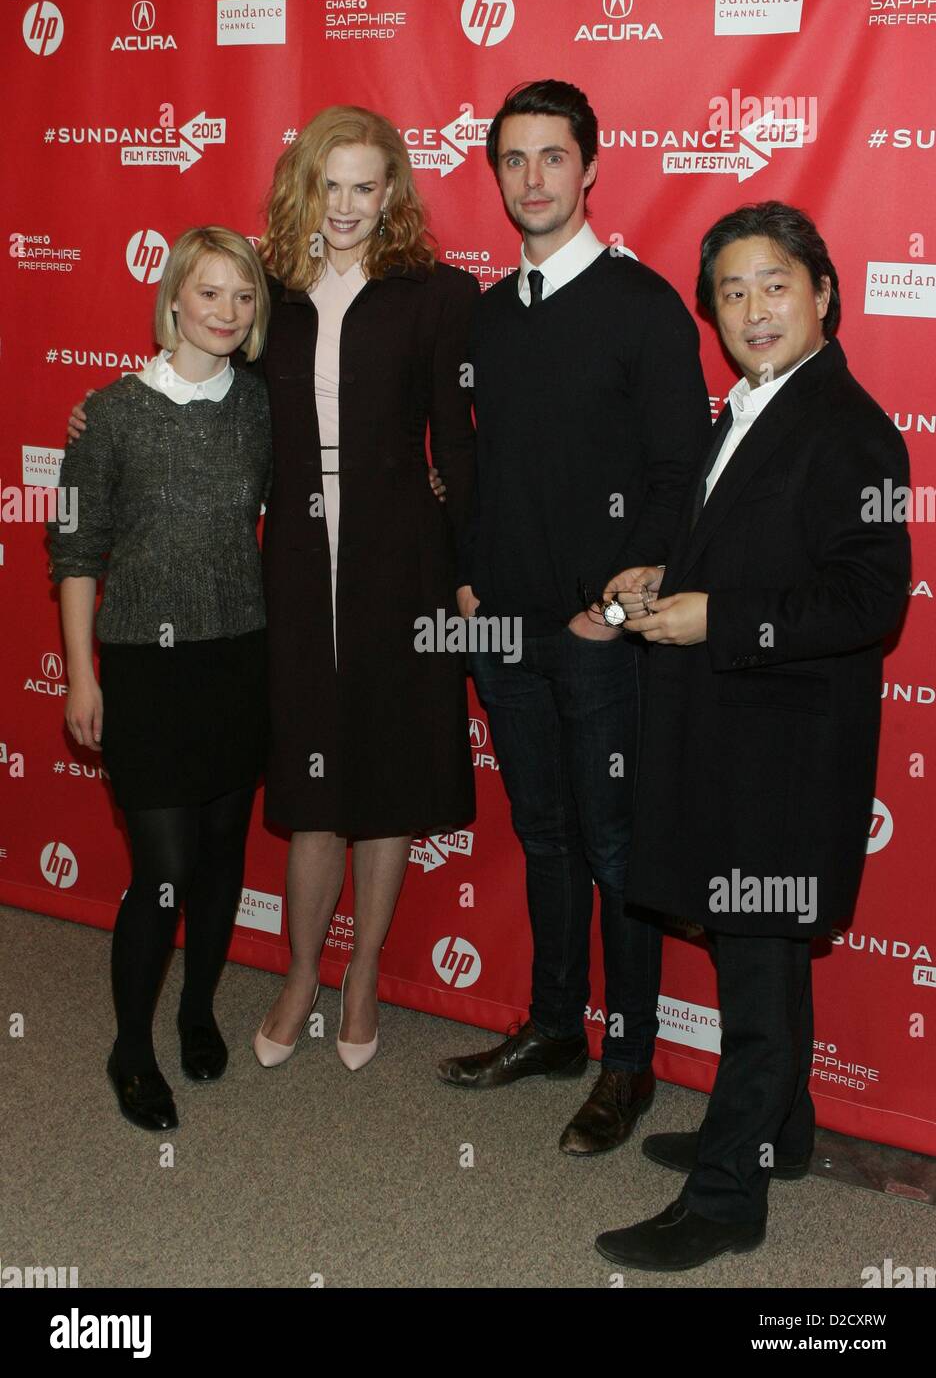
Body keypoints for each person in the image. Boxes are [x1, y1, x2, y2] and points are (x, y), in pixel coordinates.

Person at [595, 201, 911, 1270]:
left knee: (761, 985)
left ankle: (728, 1195)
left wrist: (717, 618)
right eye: (729, 291)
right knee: (758, 955)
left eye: (774, 283)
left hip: (787, 756)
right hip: (734, 739)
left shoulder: (852, 427)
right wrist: (666, 579)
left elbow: (870, 601)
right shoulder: (753, 407)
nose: (751, 308)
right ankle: (782, 1133)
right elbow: (747, 547)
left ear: (824, 292)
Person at [436, 81, 711, 1154]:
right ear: (496, 173)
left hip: (600, 640)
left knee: (614, 846)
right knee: (542, 836)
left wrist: (612, 602)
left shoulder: (643, 306)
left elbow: (676, 473)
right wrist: (466, 578)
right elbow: (470, 464)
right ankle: (555, 1026)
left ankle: (630, 1062)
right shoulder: (487, 317)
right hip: (499, 630)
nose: (534, 178)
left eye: (553, 157)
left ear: (591, 167)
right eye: (514, 159)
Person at [252, 106, 477, 1070]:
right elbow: (213, 390)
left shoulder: (435, 294)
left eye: (364, 186)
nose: (344, 206)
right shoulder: (271, 291)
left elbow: (459, 447)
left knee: (385, 779)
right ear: (305, 187)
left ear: (392, 194)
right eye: (328, 185)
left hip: (400, 562)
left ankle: (366, 968)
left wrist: (468, 571)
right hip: (298, 560)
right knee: (311, 782)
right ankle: (301, 969)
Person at [48, 226, 272, 1131]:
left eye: (243, 296)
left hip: (238, 658)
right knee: (163, 869)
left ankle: (196, 1012)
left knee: (223, 856)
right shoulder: (104, 413)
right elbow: (72, 550)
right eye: (209, 292)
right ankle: (130, 1047)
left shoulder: (262, 406)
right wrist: (78, 677)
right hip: (143, 666)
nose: (226, 311)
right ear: (173, 297)